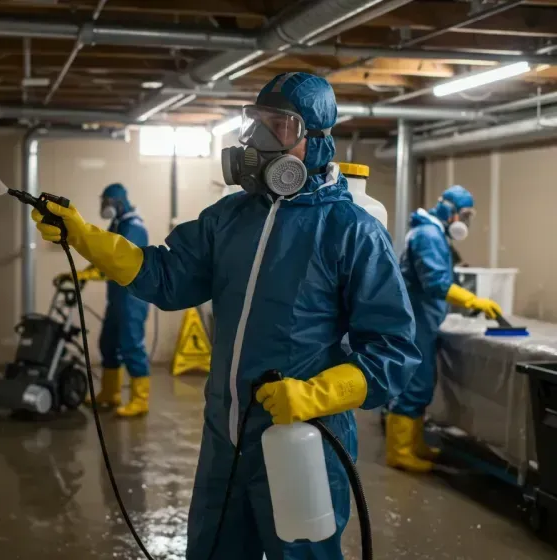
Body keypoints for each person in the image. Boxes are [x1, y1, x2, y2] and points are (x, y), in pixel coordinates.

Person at [32, 72, 421, 559]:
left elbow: (394, 350)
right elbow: (165, 276)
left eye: (280, 125)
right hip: (226, 436)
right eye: (256, 122)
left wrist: (316, 394)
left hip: (301, 439)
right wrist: (82, 236)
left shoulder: (351, 231)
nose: (258, 139)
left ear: (317, 139)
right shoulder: (230, 217)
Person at [386, 185, 502, 473]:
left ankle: (414, 444)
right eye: (464, 215)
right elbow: (435, 283)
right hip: (417, 322)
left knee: (422, 384)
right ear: (449, 210)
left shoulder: (431, 233)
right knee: (414, 385)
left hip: (422, 321)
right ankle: (399, 452)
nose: (464, 222)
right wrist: (473, 299)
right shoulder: (428, 235)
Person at [59, 183, 152, 417]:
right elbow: (104, 254)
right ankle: (110, 394)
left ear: (118, 203)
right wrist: (82, 272)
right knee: (108, 343)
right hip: (117, 297)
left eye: (107, 203)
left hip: (133, 298)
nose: (103, 207)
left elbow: (120, 261)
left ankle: (140, 400)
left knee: (131, 345)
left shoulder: (134, 227)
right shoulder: (118, 224)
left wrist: (88, 275)